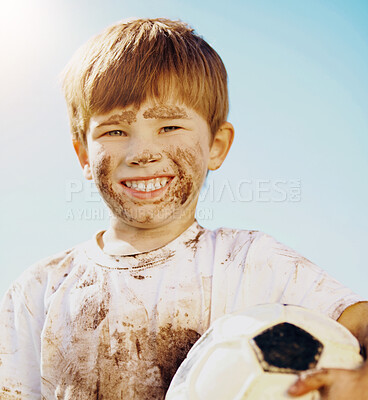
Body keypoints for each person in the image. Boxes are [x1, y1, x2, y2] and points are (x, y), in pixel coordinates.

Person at [0, 18, 367, 400]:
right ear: (83, 156)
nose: (142, 153)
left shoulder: (251, 264)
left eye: (169, 127)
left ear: (217, 146)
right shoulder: (38, 292)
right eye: (114, 131)